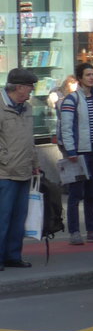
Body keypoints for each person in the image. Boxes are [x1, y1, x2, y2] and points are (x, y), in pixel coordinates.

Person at [58, 62, 93, 244]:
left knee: (91, 192)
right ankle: (74, 232)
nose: (92, 77)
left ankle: (91, 230)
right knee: (75, 194)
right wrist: (71, 150)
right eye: (88, 75)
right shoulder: (71, 99)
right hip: (78, 153)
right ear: (80, 78)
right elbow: (66, 127)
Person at [0, 68, 39, 269]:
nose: (32, 91)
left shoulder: (27, 108)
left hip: (24, 170)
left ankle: (13, 256)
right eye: (30, 87)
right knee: (2, 217)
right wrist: (5, 159)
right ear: (19, 87)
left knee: (18, 218)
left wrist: (34, 163)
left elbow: (29, 139)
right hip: (4, 173)